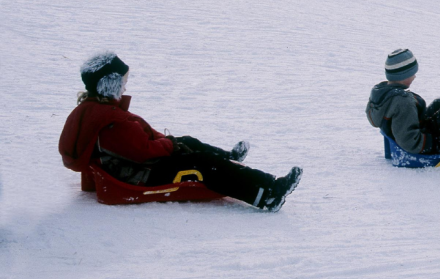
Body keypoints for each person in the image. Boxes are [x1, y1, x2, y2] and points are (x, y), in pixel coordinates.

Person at [58, 52, 303, 211]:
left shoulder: (96, 109)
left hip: (133, 165)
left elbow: (138, 137)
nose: (126, 85)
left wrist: (169, 141)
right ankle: (269, 193)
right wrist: (169, 146)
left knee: (186, 142)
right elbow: (143, 152)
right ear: (110, 85)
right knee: (202, 165)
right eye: (123, 81)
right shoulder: (109, 122)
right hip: (140, 174)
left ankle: (229, 157)